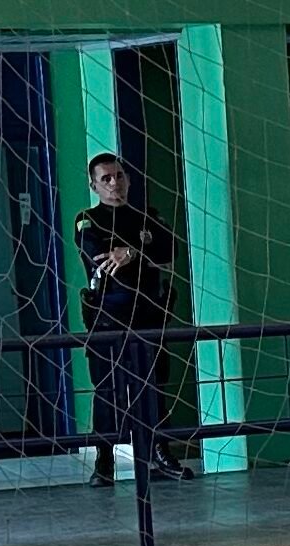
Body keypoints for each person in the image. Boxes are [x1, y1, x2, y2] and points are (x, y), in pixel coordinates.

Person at [75, 153, 193, 486]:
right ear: (94, 185)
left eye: (119, 176)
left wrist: (133, 253)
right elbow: (95, 253)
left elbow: (169, 250)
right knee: (108, 391)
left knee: (153, 388)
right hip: (108, 321)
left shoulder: (147, 217)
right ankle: (104, 460)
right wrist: (131, 256)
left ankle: (160, 451)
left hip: (148, 318)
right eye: (106, 179)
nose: (115, 183)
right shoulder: (88, 220)